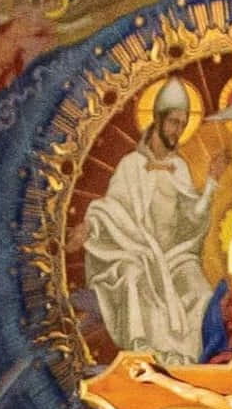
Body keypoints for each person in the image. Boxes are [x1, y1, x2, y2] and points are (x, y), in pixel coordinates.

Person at [81, 78, 219, 362]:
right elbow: (111, 210)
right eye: (173, 122)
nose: (178, 130)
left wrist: (211, 185)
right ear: (157, 119)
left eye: (183, 124)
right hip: (139, 252)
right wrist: (91, 224)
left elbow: (193, 221)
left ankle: (186, 363)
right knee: (133, 277)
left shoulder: (179, 168)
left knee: (202, 293)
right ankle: (141, 356)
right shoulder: (131, 166)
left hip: (176, 258)